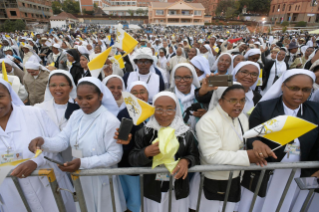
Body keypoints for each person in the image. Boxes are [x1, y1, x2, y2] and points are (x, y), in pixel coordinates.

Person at [29, 77, 125, 212]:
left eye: (89, 97)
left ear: (101, 96)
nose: (83, 102)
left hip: (102, 180)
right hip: (82, 179)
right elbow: (62, 141)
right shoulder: (76, 115)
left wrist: (82, 163)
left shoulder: (110, 121)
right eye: (79, 98)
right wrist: (43, 141)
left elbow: (114, 155)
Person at [238, 69, 319, 212]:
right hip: (267, 172)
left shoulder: (315, 110)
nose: (300, 94)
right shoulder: (265, 108)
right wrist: (256, 143)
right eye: (294, 88)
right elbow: (249, 135)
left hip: (299, 173)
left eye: (306, 90)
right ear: (283, 86)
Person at [0, 78, 76, 212]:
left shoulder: (34, 114)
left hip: (49, 189)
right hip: (13, 196)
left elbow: (59, 142)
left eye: (0, 96)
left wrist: (36, 160)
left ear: (11, 96)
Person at [190, 84, 262, 212]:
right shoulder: (208, 122)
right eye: (232, 100)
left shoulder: (242, 118)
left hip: (232, 178)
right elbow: (212, 156)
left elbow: (244, 140)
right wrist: (247, 156)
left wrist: (255, 144)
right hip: (211, 180)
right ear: (220, 101)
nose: (239, 104)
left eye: (242, 100)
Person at [129, 91, 199, 212]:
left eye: (170, 109)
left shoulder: (185, 133)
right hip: (153, 189)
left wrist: (186, 161)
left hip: (178, 188)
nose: (164, 114)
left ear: (176, 110)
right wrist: (145, 153)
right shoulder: (145, 132)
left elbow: (194, 155)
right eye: (159, 109)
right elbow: (132, 159)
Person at [116, 81, 150, 212]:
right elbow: (121, 144)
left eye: (142, 92)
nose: (139, 96)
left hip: (151, 165)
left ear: (148, 94)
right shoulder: (124, 114)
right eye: (134, 93)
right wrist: (127, 142)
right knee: (135, 200)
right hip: (131, 166)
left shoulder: (155, 112)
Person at [35, 70, 79, 162]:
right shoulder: (39, 109)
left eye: (62, 85)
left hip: (75, 154)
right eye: (53, 85)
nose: (58, 88)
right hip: (50, 157)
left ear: (71, 87)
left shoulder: (79, 108)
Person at [169, 63, 206, 131]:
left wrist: (206, 115)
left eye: (187, 77)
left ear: (192, 78)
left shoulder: (202, 95)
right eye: (178, 77)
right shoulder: (168, 96)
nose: (182, 81)